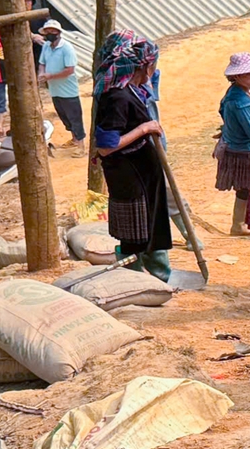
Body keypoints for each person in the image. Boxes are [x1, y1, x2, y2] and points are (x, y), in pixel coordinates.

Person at [91, 31, 170, 281]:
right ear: (143, 65)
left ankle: (158, 276)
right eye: (152, 63)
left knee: (151, 224)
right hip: (129, 172)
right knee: (134, 231)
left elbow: (151, 84)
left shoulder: (132, 89)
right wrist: (144, 128)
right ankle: (134, 279)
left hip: (144, 171)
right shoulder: (117, 96)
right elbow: (106, 145)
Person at [215, 52, 250, 237]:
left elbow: (223, 112)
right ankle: (240, 224)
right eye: (248, 74)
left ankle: (240, 224)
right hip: (246, 151)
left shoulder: (234, 93)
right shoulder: (241, 102)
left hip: (234, 147)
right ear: (236, 76)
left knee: (245, 189)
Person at [37, 20, 83, 148]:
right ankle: (74, 140)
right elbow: (42, 63)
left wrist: (50, 76)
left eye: (53, 31)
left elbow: (70, 70)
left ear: (58, 32)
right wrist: (41, 73)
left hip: (68, 90)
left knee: (75, 118)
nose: (50, 33)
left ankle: (81, 145)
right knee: (64, 117)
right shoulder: (46, 46)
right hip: (54, 89)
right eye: (47, 31)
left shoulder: (66, 48)